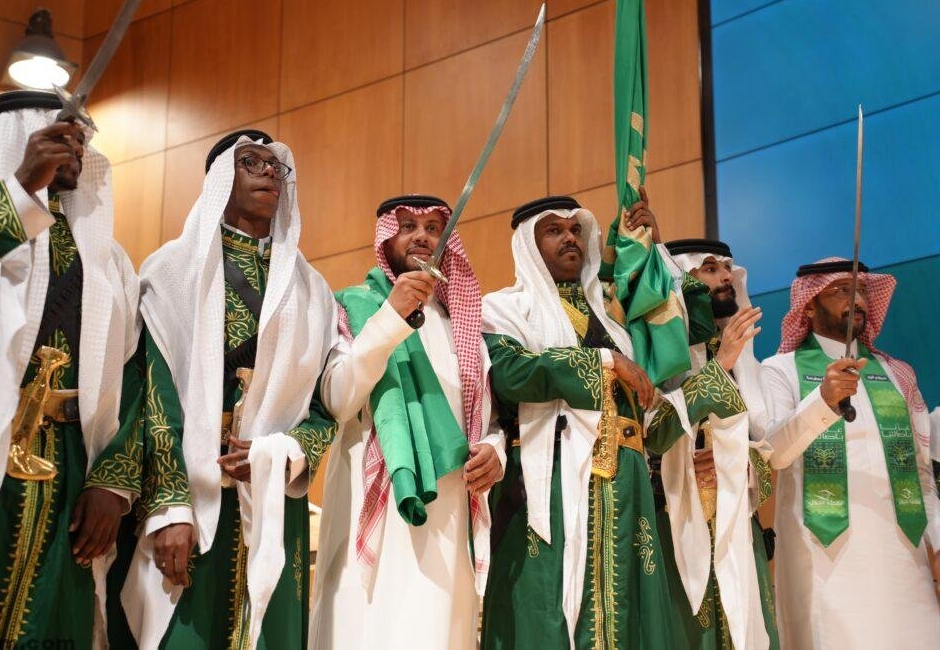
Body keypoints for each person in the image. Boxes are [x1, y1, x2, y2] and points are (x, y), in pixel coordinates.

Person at [0, 90, 140, 646]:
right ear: (18, 139)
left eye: (79, 142)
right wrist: (19, 188)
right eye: (57, 138)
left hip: (68, 466)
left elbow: (132, 375)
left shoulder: (108, 259)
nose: (73, 152)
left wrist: (112, 482)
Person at [479, 196, 745, 649]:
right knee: (550, 609)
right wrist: (606, 362)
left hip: (627, 490)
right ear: (527, 245)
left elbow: (653, 412)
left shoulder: (612, 320)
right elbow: (511, 374)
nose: (569, 238)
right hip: (550, 483)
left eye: (575, 230)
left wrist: (654, 247)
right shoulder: (505, 308)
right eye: (553, 230)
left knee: (626, 614)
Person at [110, 130, 338, 648]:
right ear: (218, 180)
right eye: (250, 162)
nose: (268, 172)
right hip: (189, 494)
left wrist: (291, 451)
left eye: (276, 165)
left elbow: (325, 403)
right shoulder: (173, 270)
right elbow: (152, 396)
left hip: (273, 498)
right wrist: (170, 507)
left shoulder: (313, 289)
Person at [309, 195, 504, 650]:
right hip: (376, 508)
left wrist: (495, 450)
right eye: (408, 226)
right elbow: (337, 398)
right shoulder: (353, 307)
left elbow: (489, 418)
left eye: (434, 228)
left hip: (451, 510)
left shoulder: (463, 326)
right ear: (386, 240)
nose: (422, 236)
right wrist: (390, 318)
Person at [761, 257, 940, 647]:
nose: (856, 300)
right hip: (823, 560)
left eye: (861, 290)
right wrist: (822, 401)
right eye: (842, 290)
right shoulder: (779, 369)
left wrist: (939, 540)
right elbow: (775, 453)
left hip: (903, 559)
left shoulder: (896, 372)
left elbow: (921, 471)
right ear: (809, 305)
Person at [657, 237, 778, 649]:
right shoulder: (659, 352)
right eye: (710, 269)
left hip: (738, 516)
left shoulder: (744, 356)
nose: (726, 277)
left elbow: (763, 445)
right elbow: (654, 431)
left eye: (727, 268)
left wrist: (746, 466)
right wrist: (720, 364)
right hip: (673, 516)